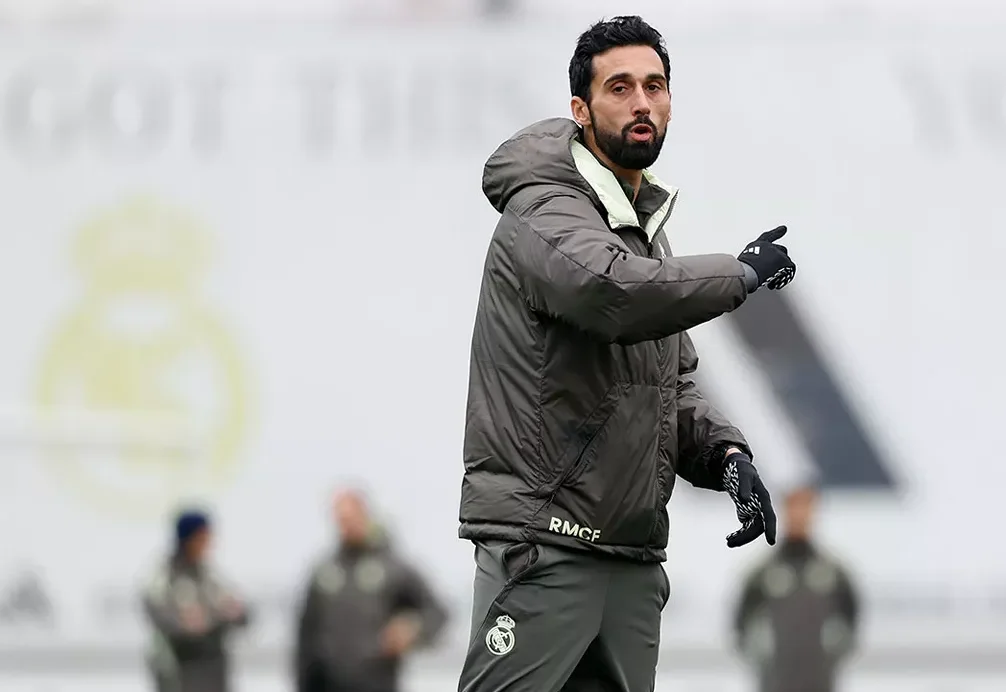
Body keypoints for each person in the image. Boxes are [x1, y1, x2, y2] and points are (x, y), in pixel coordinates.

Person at [456, 15, 798, 691]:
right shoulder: (545, 210)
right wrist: (740, 273)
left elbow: (670, 384)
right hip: (546, 549)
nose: (641, 102)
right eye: (619, 88)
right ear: (580, 110)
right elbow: (611, 293)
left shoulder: (638, 231)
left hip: (631, 561)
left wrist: (726, 455)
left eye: (654, 86)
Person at [294, 487, 448, 692]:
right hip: (327, 683)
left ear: (365, 515)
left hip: (377, 681)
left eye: (351, 517)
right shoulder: (325, 573)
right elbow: (305, 637)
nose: (347, 525)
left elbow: (437, 613)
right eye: (341, 519)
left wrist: (412, 629)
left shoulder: (392, 568)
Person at [733, 484, 861, 692]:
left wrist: (832, 653)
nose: (799, 514)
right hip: (775, 684)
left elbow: (851, 622)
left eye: (805, 507)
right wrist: (763, 653)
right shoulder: (763, 575)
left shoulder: (833, 574)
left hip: (820, 683)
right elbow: (741, 626)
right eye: (793, 506)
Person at [141, 508, 252, 692]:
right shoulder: (164, 577)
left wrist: (230, 614)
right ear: (187, 539)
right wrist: (184, 623)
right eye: (201, 537)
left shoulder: (210, 576)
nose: (207, 543)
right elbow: (157, 610)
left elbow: (239, 612)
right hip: (179, 670)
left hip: (211, 670)